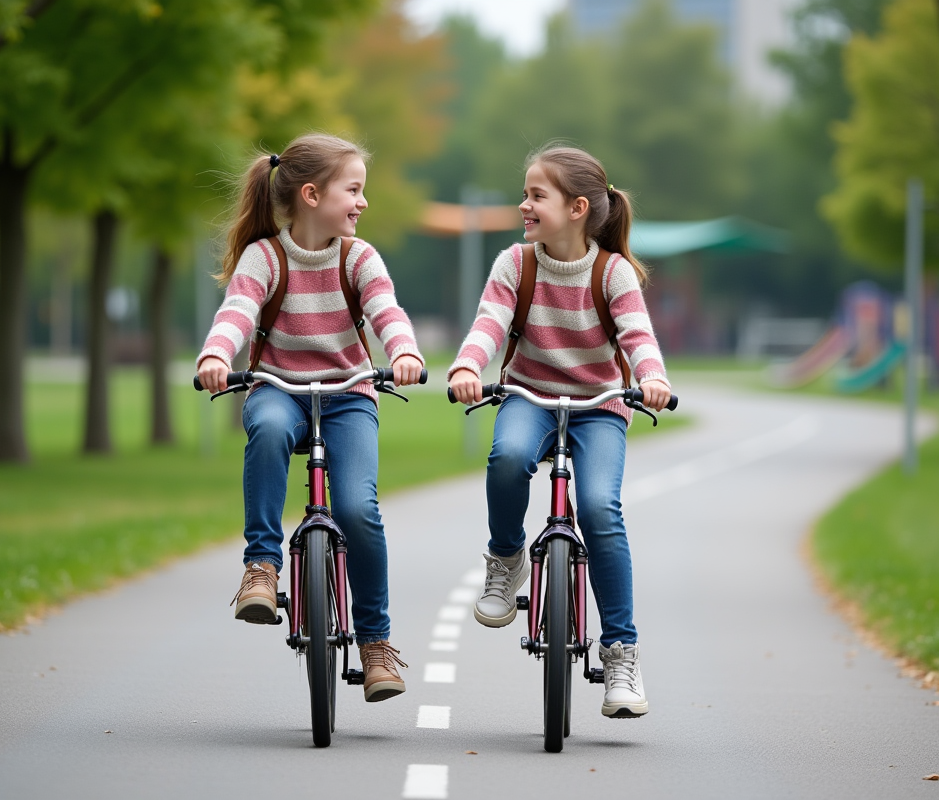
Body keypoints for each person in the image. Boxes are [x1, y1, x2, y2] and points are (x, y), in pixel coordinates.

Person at [197, 133, 423, 703]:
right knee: (269, 428)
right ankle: (261, 566)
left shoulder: (359, 257)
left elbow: (387, 311)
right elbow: (237, 310)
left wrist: (404, 352)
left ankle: (375, 644)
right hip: (280, 389)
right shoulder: (265, 257)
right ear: (312, 195)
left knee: (357, 509)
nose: (363, 202)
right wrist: (216, 355)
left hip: (349, 395)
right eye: (354, 190)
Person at [447, 144, 671, 718]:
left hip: (600, 405)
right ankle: (506, 559)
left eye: (536, 196)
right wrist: (469, 365)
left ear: (577, 209)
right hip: (529, 395)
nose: (524, 205)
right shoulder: (515, 264)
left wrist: (651, 378)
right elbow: (490, 323)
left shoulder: (613, 272)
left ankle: (620, 654)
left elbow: (637, 336)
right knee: (508, 455)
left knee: (599, 508)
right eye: (524, 194)